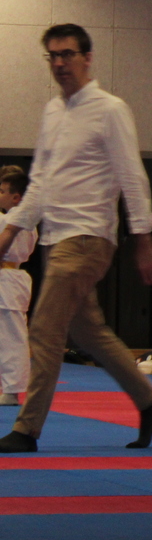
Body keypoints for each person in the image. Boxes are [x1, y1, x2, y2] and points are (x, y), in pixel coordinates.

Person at [0, 24, 152, 453]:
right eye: (53, 56)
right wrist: (10, 230)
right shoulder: (53, 112)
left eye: (68, 54)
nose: (60, 63)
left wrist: (143, 238)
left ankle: (26, 429)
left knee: (44, 329)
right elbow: (39, 184)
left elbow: (132, 176)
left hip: (88, 237)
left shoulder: (110, 110)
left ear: (87, 58)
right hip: (56, 239)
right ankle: (150, 402)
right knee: (89, 332)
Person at [0, 167, 37, 407]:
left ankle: (13, 391)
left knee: (11, 337)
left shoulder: (15, 220)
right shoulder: (14, 219)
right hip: (9, 278)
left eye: (2, 191)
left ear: (16, 197)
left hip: (9, 278)